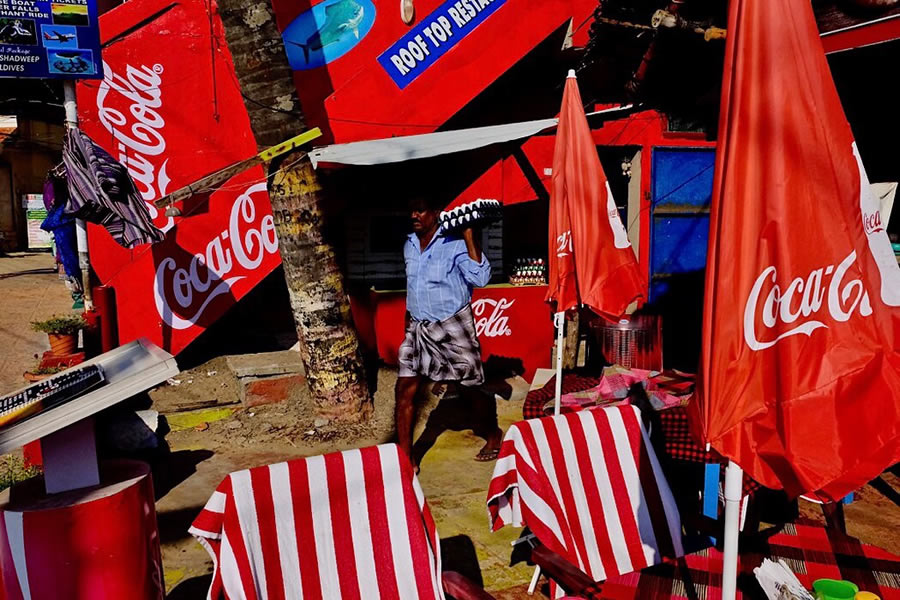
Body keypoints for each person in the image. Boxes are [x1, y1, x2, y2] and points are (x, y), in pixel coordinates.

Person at [395, 197, 503, 468]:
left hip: (453, 326)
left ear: (436, 212)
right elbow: (414, 287)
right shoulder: (409, 244)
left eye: (420, 209)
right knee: (404, 390)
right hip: (418, 327)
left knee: (470, 389)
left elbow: (481, 278)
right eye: (411, 209)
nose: (414, 215)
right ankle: (406, 459)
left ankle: (493, 434)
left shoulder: (455, 243)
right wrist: (409, 325)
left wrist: (469, 235)